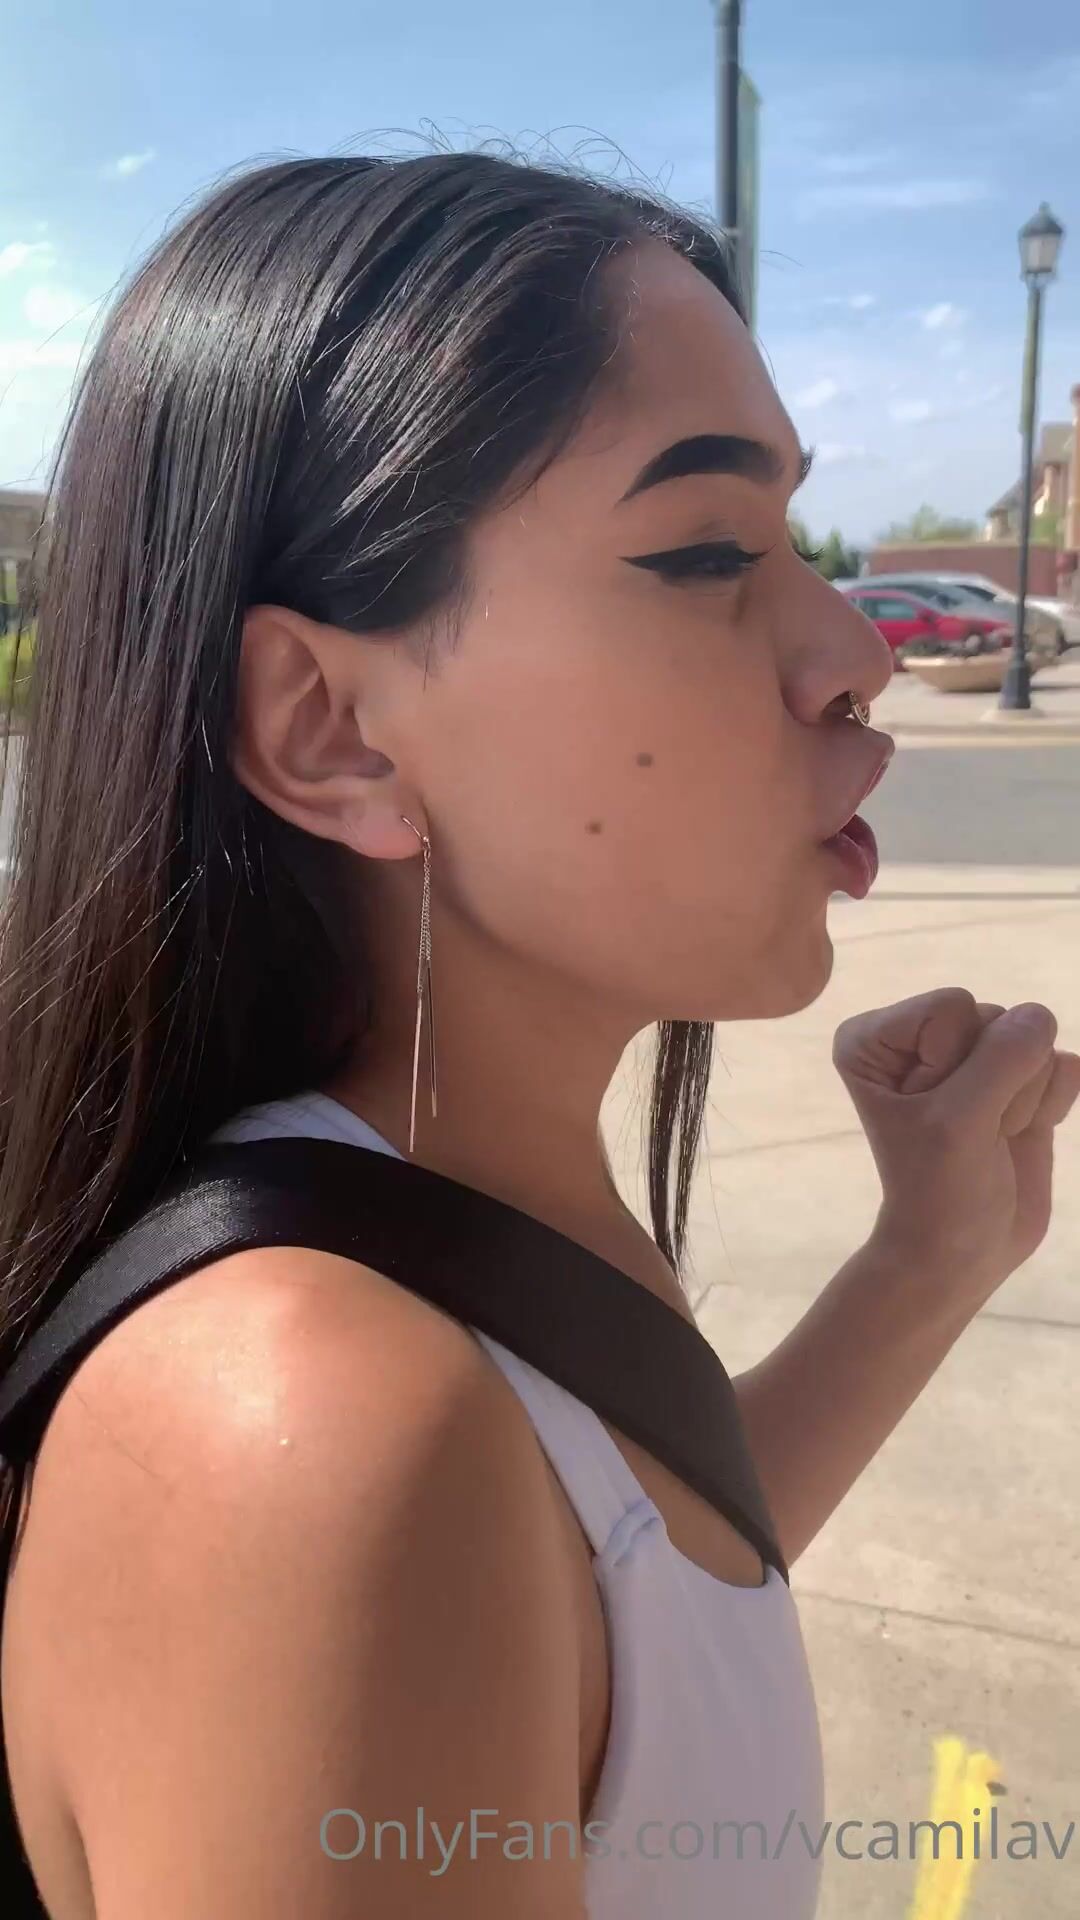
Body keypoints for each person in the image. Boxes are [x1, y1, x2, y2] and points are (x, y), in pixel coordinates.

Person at [0, 152, 1076, 1920]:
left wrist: (928, 1261)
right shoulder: (316, 1435)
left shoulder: (450, 1237)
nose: (852, 650)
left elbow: (635, 1599)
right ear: (333, 727)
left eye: (797, 543)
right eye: (709, 551)